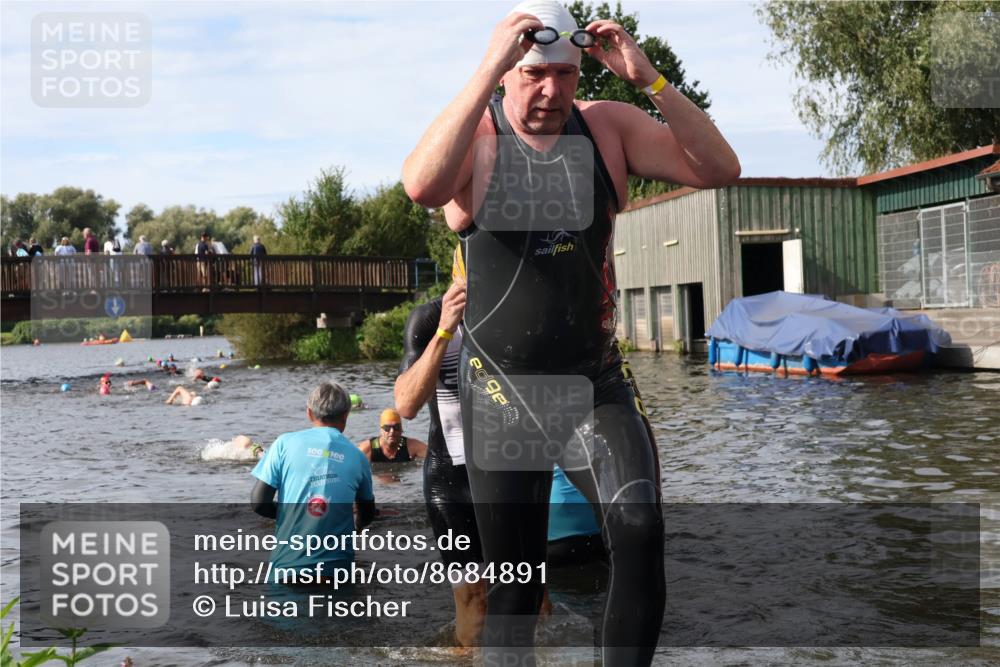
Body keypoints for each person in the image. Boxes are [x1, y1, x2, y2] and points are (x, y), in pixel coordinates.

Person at [401, 2, 740, 663]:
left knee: (640, 526)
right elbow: (420, 184)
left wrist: (651, 81)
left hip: (593, 383)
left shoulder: (608, 130)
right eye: (532, 74)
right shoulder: (480, 139)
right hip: (502, 395)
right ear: (506, 73)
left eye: (565, 74)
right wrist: (486, 72)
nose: (551, 91)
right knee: (516, 592)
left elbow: (720, 169)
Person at [250, 382, 376, 577]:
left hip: (287, 568)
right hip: (336, 572)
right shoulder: (358, 457)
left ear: (309, 413)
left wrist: (293, 515)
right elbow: (367, 513)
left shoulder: (283, 443)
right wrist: (356, 527)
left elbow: (259, 503)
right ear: (346, 415)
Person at [357, 408, 427, 463]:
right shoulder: (367, 449)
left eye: (396, 427)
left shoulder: (412, 447)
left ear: (401, 429)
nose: (392, 431)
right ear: (381, 430)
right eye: (387, 428)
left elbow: (434, 456)